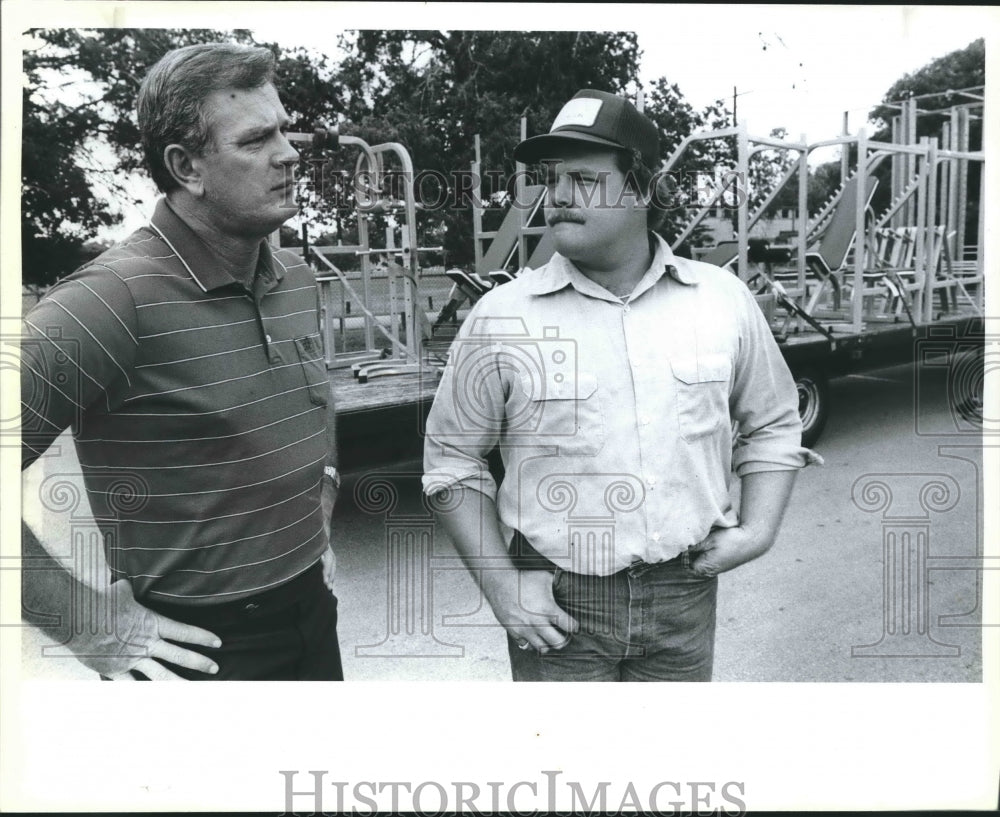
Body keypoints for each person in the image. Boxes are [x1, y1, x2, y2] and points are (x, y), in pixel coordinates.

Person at [422, 88, 819, 682]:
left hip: (686, 592)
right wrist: (501, 585)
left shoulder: (721, 300)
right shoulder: (503, 318)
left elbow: (772, 422)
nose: (555, 197)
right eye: (549, 179)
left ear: (641, 188)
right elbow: (452, 458)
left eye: (581, 178)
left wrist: (758, 532)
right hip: (558, 606)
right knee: (570, 774)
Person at [20, 43, 344, 681]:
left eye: (284, 129)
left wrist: (319, 507)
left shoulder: (295, 277)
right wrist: (86, 625)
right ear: (186, 166)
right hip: (198, 650)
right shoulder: (110, 299)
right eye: (256, 140)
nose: (289, 153)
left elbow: (311, 405)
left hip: (312, 612)